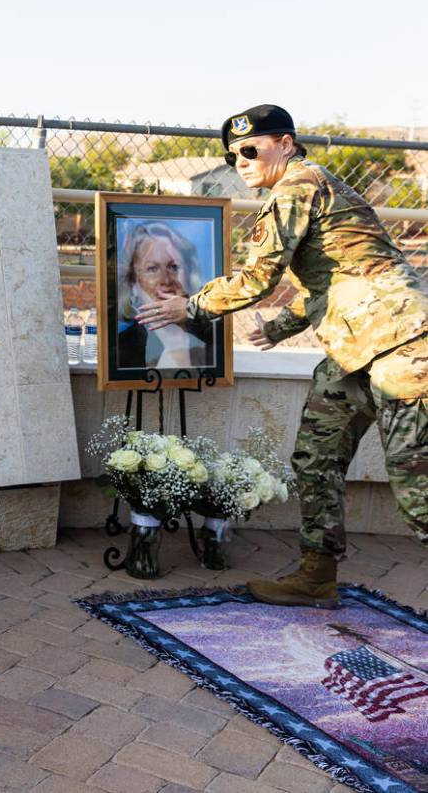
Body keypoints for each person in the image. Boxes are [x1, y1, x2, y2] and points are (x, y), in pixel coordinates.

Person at [137, 104, 428, 609]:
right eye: (233, 157)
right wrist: (284, 324)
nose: (242, 162)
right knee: (316, 456)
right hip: (354, 350)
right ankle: (317, 576)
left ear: (287, 144)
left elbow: (257, 277)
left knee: (416, 488)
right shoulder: (310, 189)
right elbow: (340, 273)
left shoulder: (296, 186)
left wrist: (191, 306)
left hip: (402, 346)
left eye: (252, 150)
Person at [117, 220, 215, 369]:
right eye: (152, 269)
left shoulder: (214, 338)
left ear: (190, 274)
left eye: (174, 267)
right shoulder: (123, 349)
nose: (166, 280)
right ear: (133, 282)